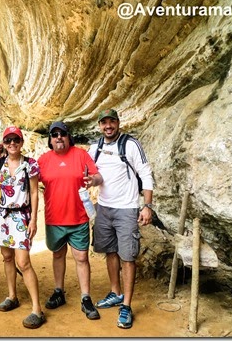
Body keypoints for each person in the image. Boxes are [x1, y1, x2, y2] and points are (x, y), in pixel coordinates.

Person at [87, 109, 154, 329]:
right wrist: (93, 182)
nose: (108, 126)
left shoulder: (131, 144)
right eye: (104, 122)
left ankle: (126, 304)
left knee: (128, 256)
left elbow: (145, 172)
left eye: (112, 121)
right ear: (99, 125)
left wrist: (147, 205)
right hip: (104, 208)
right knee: (111, 251)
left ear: (118, 123)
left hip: (127, 208)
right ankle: (115, 292)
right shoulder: (95, 147)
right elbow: (95, 175)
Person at [37, 121, 103, 320]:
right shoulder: (43, 160)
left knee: (81, 258)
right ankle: (59, 292)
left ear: (68, 136)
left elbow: (98, 176)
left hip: (78, 218)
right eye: (54, 134)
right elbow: (30, 183)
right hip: (54, 218)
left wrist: (94, 181)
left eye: (62, 134)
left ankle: (85, 298)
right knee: (58, 255)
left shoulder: (81, 155)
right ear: (50, 139)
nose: (59, 137)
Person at [0, 126, 46, 329]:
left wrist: (33, 221)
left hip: (21, 216)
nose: (12, 143)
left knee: (24, 263)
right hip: (1, 216)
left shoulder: (30, 164)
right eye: (8, 140)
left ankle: (37, 309)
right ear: (3, 143)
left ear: (22, 143)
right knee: (7, 258)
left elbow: (34, 193)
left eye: (16, 140)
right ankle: (12, 296)